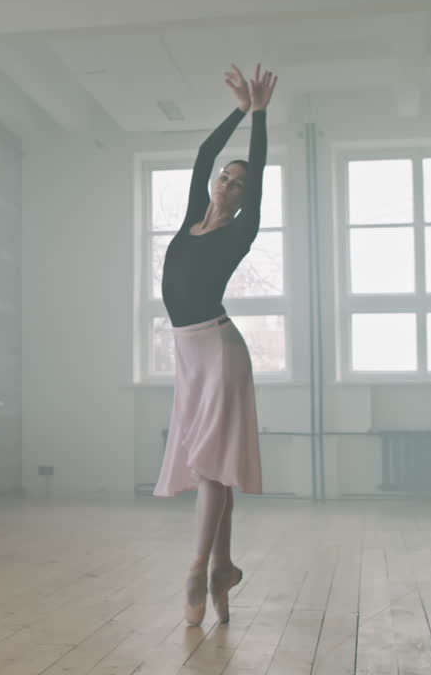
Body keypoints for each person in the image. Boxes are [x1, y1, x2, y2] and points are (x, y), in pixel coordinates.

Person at [152, 64, 277, 626]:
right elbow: (205, 152)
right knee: (217, 466)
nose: (227, 183)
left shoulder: (239, 232)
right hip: (188, 355)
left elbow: (260, 168)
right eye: (225, 177)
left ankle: (198, 566)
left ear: (246, 199)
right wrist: (238, 110)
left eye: (238, 183)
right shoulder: (188, 222)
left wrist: (261, 115)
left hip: (220, 351)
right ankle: (224, 567)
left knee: (211, 466)